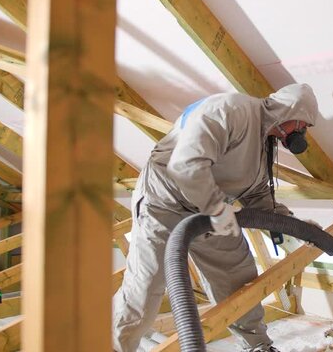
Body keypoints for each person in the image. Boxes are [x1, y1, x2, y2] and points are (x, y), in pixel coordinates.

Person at [112, 83, 319, 352]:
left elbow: (258, 197)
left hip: (209, 209)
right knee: (147, 284)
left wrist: (300, 228)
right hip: (164, 200)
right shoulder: (231, 109)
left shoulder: (263, 146)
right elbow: (185, 164)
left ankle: (258, 345)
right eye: (302, 125)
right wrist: (218, 209)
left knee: (237, 278)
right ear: (291, 111)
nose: (300, 133)